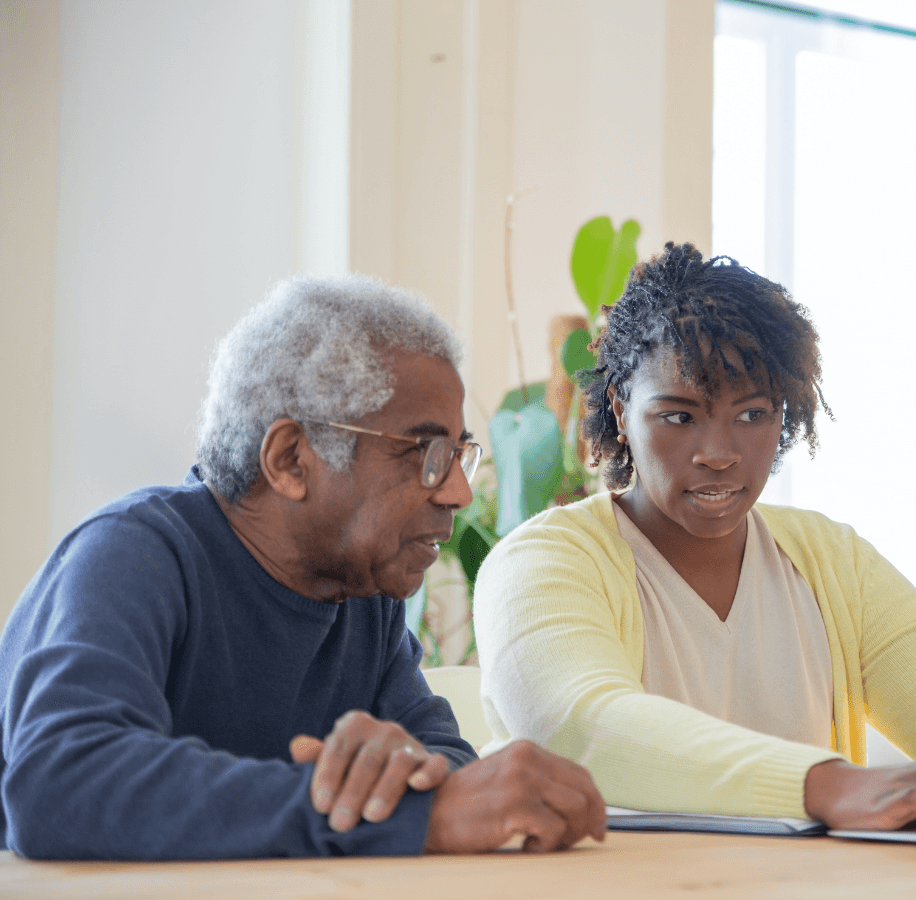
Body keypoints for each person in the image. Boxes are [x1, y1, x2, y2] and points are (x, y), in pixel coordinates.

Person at [474, 243, 916, 831]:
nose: (719, 452)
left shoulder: (832, 561)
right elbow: (581, 726)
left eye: (752, 414)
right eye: (678, 416)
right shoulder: (542, 563)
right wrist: (829, 785)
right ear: (620, 411)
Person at [0, 275, 606, 859]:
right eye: (425, 454)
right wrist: (400, 815)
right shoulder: (132, 555)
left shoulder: (362, 594)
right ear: (291, 459)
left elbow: (443, 757)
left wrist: (407, 780)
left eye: (458, 455)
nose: (457, 493)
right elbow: (60, 781)